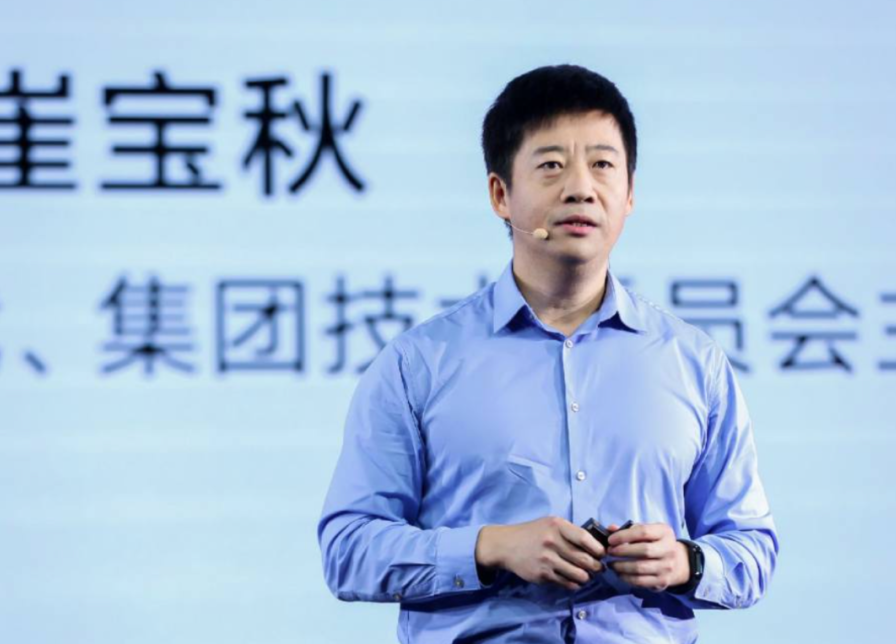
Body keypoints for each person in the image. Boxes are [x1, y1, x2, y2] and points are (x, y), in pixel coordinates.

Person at [317, 64, 779, 643]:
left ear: (630, 194)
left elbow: (752, 547)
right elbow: (348, 549)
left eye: (603, 165)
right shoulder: (420, 363)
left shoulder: (692, 362)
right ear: (500, 195)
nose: (581, 188)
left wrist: (687, 562)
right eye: (552, 165)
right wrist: (489, 548)